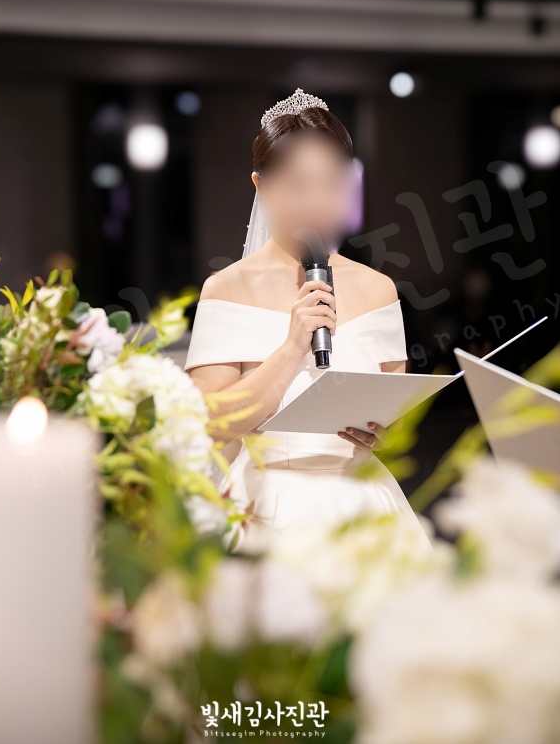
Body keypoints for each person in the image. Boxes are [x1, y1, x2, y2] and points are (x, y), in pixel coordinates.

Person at [183, 89, 433, 553]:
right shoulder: (226, 289)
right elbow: (208, 424)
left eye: (332, 184)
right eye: (298, 186)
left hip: (362, 505)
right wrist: (292, 347)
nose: (317, 201)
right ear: (260, 186)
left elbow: (395, 415)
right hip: (267, 506)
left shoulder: (379, 289)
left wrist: (384, 432)